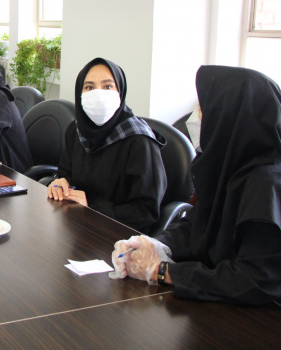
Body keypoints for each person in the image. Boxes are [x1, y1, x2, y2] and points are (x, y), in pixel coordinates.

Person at [109, 66, 281, 305]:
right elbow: (197, 224)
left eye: (204, 108)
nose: (197, 116)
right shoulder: (230, 165)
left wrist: (162, 271)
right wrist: (156, 244)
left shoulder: (265, 185)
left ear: (229, 116)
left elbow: (254, 281)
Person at [48, 58, 166, 233]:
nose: (98, 94)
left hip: (119, 235)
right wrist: (60, 184)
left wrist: (92, 207)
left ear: (120, 91)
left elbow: (145, 212)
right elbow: (66, 174)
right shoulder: (76, 130)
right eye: (89, 87)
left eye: (108, 86)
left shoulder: (139, 140)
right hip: (78, 224)